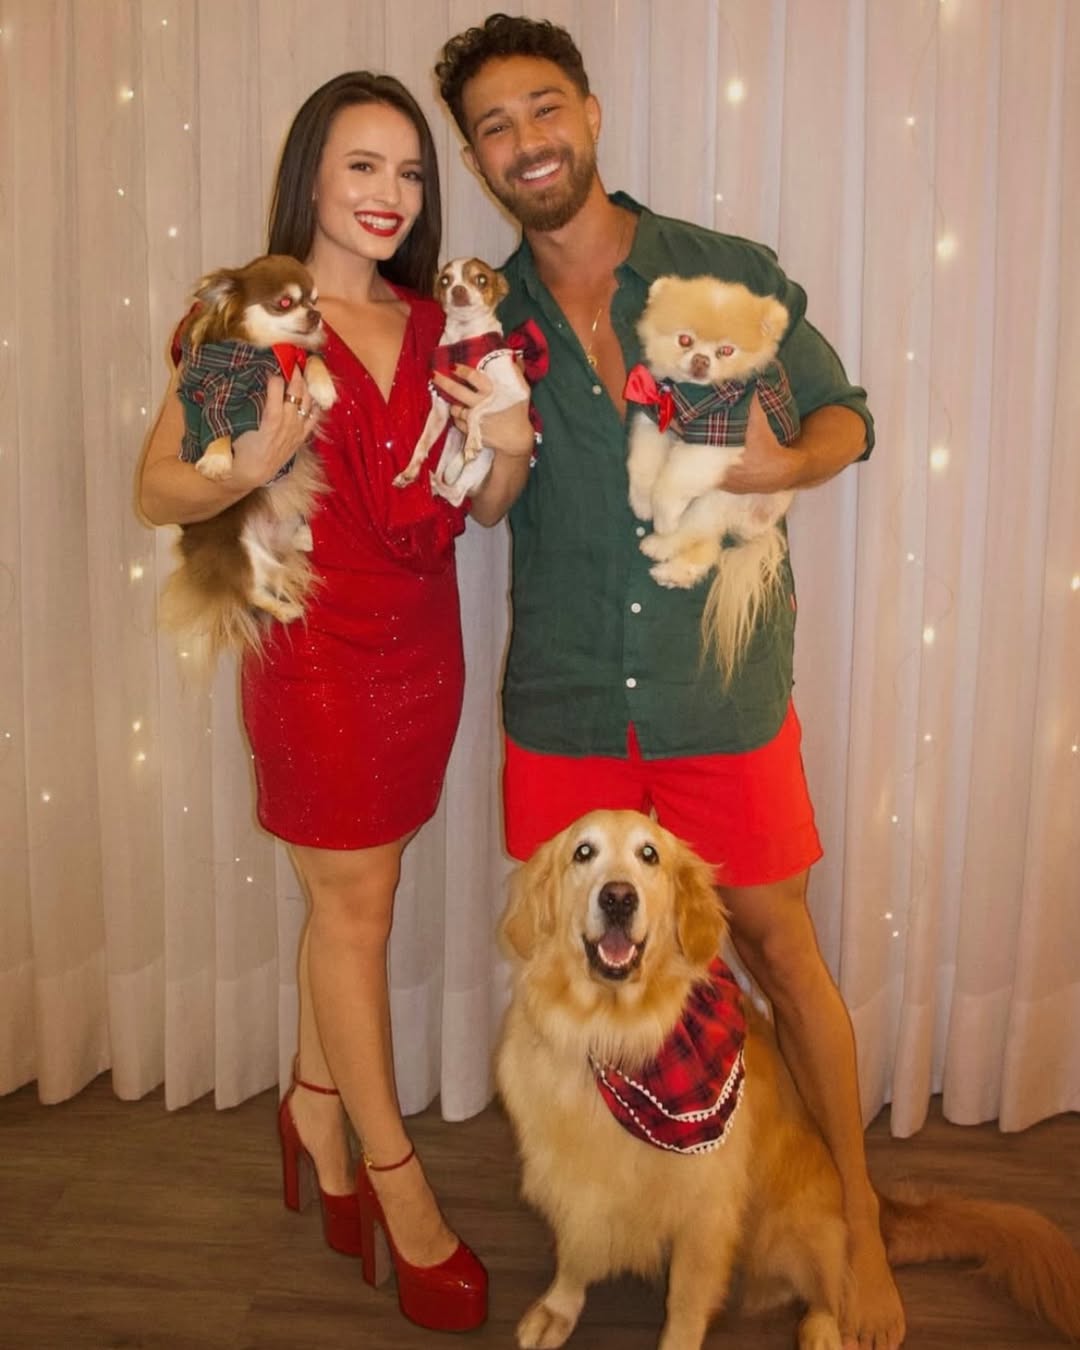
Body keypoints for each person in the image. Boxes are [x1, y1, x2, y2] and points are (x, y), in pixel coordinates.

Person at [433, 15, 905, 1350]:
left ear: (589, 112)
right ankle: (615, 1217)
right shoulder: (480, 319)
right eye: (494, 127)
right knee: (573, 977)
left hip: (717, 696)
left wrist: (782, 463)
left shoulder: (721, 270)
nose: (526, 141)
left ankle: (861, 1220)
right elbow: (476, 498)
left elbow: (848, 416)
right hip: (568, 702)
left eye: (544, 108)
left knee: (779, 952)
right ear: (477, 158)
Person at [137, 71, 525, 1333]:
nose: (390, 193)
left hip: (423, 649)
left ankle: (312, 1109)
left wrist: (510, 449)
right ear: (311, 172)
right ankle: (401, 1193)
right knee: (355, 918)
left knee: (359, 900)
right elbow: (157, 488)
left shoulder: (435, 320)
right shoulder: (260, 323)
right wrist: (241, 464)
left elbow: (484, 504)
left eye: (410, 172)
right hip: (314, 659)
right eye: (364, 165)